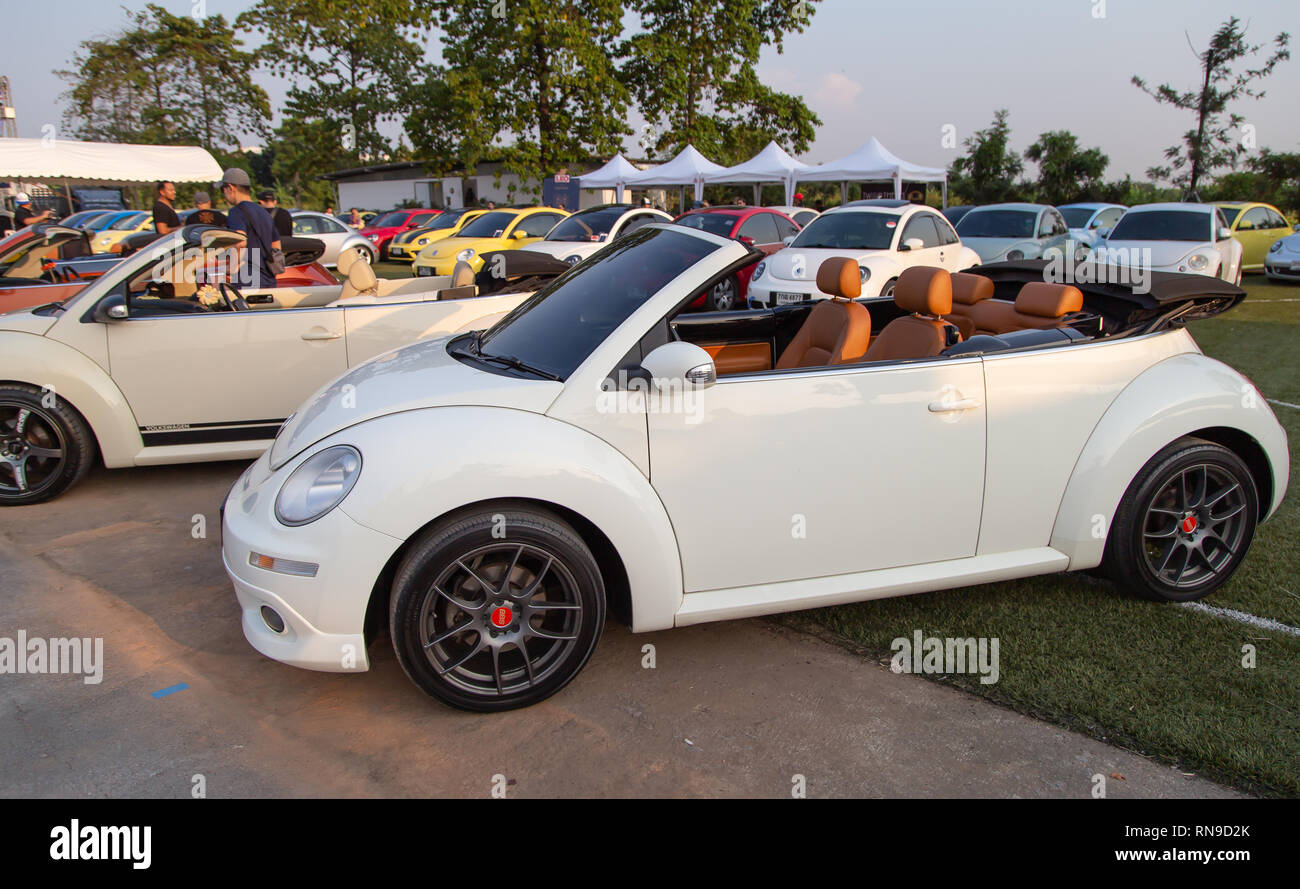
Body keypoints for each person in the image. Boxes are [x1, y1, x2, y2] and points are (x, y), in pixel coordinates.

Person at [219, 168, 279, 290]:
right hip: (269, 279)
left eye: (222, 190)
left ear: (230, 188)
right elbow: (277, 245)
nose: (224, 194)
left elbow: (240, 243)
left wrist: (230, 269)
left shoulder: (236, 212)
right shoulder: (264, 212)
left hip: (247, 280)